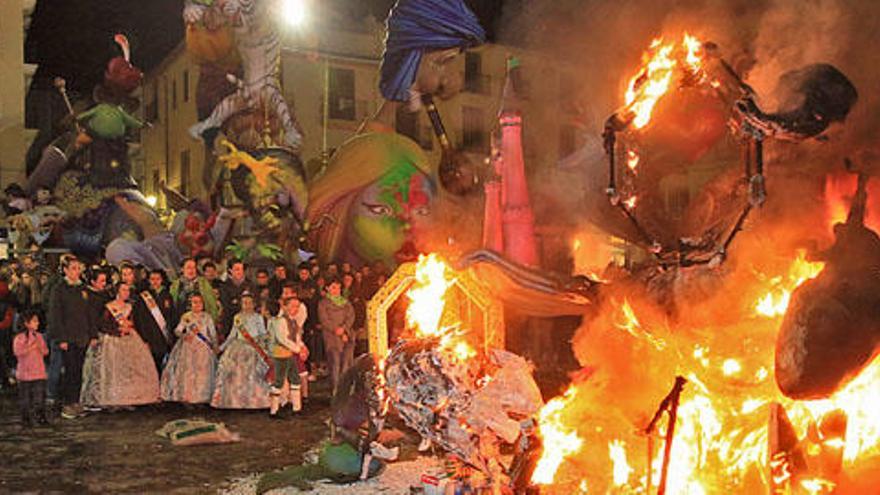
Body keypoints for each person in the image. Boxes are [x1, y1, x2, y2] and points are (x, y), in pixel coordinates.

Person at [80, 283, 160, 409]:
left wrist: (129, 326)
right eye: (123, 290)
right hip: (113, 341)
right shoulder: (110, 306)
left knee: (129, 369)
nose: (126, 292)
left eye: (128, 290)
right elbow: (103, 324)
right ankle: (114, 398)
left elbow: (134, 322)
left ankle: (128, 398)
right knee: (114, 369)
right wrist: (117, 330)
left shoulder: (130, 307)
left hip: (130, 339)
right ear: (117, 291)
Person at [48, 256, 95, 420]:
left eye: (78, 268)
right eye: (73, 268)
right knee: (69, 370)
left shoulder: (83, 288)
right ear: (66, 270)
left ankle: (76, 401)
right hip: (68, 337)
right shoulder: (59, 289)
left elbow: (89, 313)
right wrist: (61, 338)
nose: (76, 271)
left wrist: (92, 334)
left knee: (79, 370)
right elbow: (55, 315)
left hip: (82, 336)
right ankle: (67, 403)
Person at [211, 292, 272, 409]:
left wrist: (265, 347)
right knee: (236, 375)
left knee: (254, 374)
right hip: (238, 347)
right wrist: (221, 348)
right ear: (241, 304)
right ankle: (235, 401)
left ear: (254, 304)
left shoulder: (258, 317)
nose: (247, 305)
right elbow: (232, 335)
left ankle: (254, 401)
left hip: (253, 347)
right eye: (244, 303)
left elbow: (263, 333)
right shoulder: (237, 317)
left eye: (250, 303)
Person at [161, 293, 218, 404]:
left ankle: (202, 397)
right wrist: (184, 336)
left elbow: (213, 334)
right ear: (190, 304)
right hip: (188, 347)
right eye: (194, 302)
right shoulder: (186, 316)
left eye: (199, 302)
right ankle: (188, 397)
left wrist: (215, 346)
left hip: (203, 347)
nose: (197, 305)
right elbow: (177, 330)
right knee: (188, 372)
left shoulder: (207, 317)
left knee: (203, 372)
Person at [268, 297, 307, 418]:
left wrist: (301, 347)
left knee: (295, 379)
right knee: (279, 380)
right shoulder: (280, 321)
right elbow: (282, 339)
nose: (295, 309)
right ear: (285, 306)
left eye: (297, 306)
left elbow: (296, 337)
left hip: (289, 354)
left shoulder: (293, 321)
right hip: (280, 354)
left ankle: (297, 408)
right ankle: (274, 410)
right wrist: (298, 349)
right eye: (292, 306)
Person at [133, 269, 175, 374]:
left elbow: (172, 316)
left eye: (158, 279)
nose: (155, 282)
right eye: (152, 279)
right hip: (149, 336)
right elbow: (140, 319)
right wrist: (144, 338)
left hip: (163, 337)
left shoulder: (167, 295)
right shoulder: (143, 297)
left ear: (162, 280)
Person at [13, 309, 50, 429]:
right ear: (26, 323)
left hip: (39, 372)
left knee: (39, 396)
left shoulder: (39, 336)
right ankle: (26, 418)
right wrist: (30, 347)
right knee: (25, 398)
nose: (37, 323)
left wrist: (40, 347)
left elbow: (45, 351)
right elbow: (18, 352)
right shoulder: (19, 338)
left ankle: (40, 415)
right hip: (25, 373)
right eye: (34, 321)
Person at [319, 278, 356, 394]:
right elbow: (324, 320)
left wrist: (344, 329)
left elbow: (351, 317)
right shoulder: (323, 304)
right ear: (327, 289)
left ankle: (346, 389)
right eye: (333, 287)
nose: (336, 290)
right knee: (335, 363)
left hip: (347, 336)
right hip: (332, 337)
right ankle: (336, 390)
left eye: (338, 288)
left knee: (346, 363)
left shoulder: (346, 303)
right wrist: (336, 330)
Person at [170, 258, 219, 324]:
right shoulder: (175, 285)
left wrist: (212, 322)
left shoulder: (203, 283)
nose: (191, 270)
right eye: (188, 268)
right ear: (182, 269)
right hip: (181, 322)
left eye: (193, 267)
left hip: (201, 322)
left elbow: (212, 304)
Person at [219, 260, 253, 342]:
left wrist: (237, 302)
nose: (240, 272)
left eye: (241, 269)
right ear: (230, 270)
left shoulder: (250, 285)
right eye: (237, 269)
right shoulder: (224, 286)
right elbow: (226, 305)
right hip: (230, 322)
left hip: (248, 323)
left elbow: (255, 302)